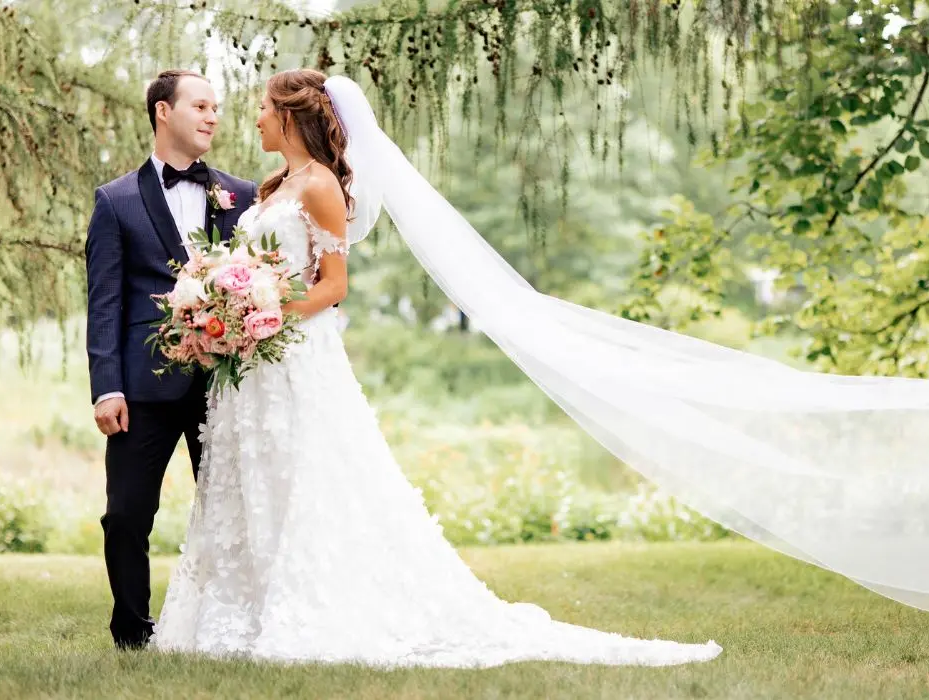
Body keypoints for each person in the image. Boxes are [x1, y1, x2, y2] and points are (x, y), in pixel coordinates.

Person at [151, 68, 723, 667]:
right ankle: (237, 610)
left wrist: (260, 312)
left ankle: (312, 605)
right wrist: (224, 308)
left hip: (294, 355)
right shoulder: (273, 188)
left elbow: (334, 287)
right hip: (254, 363)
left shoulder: (321, 186)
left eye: (265, 108)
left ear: (292, 116)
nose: (258, 118)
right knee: (254, 478)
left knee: (304, 477)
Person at [84, 69, 257, 650]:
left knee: (237, 512)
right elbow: (104, 303)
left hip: (224, 387)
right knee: (126, 516)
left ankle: (236, 626)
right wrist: (106, 387)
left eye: (217, 107)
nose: (213, 116)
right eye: (201, 105)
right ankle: (132, 630)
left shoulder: (242, 195)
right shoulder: (116, 201)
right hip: (143, 389)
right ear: (164, 111)